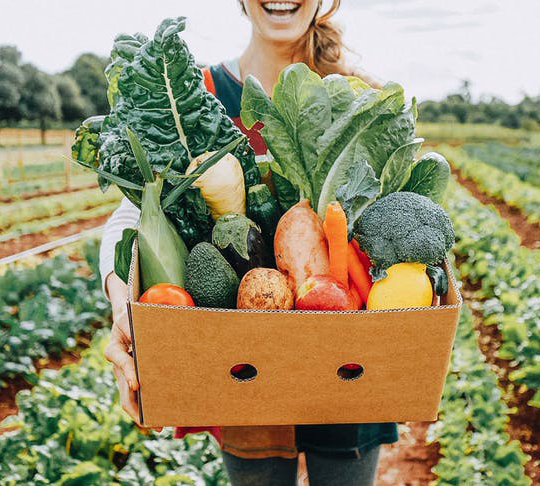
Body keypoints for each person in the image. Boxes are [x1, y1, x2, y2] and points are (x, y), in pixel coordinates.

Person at [100, 1, 394, 484]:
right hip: (240, 375)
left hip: (347, 371)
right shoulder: (194, 96)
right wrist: (120, 302)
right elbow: (134, 212)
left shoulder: (363, 97)